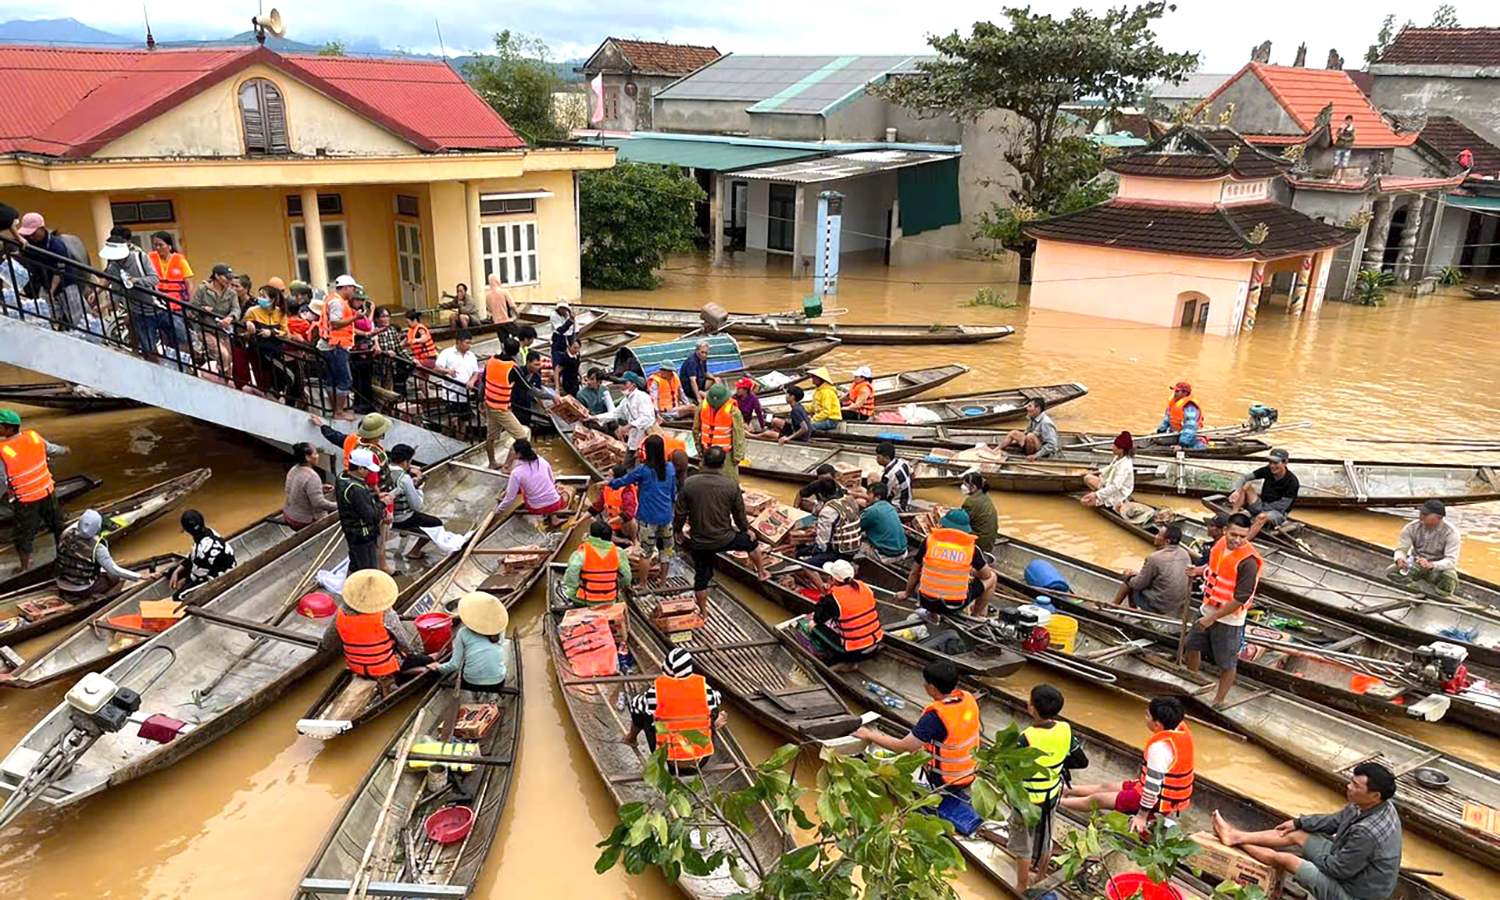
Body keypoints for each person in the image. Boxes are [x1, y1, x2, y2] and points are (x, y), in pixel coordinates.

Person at [1212, 762, 1401, 900]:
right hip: (1347, 862)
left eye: (1355, 786)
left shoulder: (1367, 832)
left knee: (1287, 859)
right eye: (1351, 781)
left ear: (1375, 795)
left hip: (1353, 892)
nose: (1348, 787)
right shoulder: (1372, 803)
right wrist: (1299, 823)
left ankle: (1236, 840)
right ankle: (1233, 836)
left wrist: (1307, 857)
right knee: (1295, 833)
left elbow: (1337, 870)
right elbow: (1334, 820)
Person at [851, 660, 980, 800]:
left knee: (889, 775)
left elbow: (904, 747)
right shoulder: (968, 699)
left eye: (925, 683)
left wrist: (869, 735)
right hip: (970, 773)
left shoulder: (934, 718)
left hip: (944, 782)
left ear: (933, 689)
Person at [1063, 697, 1194, 834]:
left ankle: (1056, 802)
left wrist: (1141, 816)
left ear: (1157, 725)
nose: (1145, 716)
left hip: (1158, 800)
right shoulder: (1180, 729)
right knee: (1106, 787)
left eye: (1147, 715)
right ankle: (1066, 790)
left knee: (1097, 799)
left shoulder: (1160, 749)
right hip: (1161, 792)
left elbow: (1152, 788)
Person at [674, 446, 769, 614]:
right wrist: (746, 529)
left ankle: (703, 612)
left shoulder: (689, 483)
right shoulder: (731, 485)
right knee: (751, 542)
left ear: (703, 462)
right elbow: (739, 514)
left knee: (701, 579)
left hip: (700, 541)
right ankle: (761, 572)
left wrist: (678, 530)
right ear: (723, 464)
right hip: (725, 538)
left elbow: (680, 512)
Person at [1012, 684, 1086, 893]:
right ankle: (1041, 877)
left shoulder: (1026, 737)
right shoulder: (1065, 730)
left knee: (1023, 845)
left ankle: (1021, 885)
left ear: (1031, 709)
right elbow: (1081, 761)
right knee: (1046, 837)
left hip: (1028, 800)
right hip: (1051, 795)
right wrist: (1057, 763)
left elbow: (1010, 766)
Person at [1184, 512, 1261, 706]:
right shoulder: (1219, 545)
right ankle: (1192, 681)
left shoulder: (1248, 562)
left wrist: (1212, 618)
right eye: (1234, 535)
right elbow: (1214, 567)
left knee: (1226, 663)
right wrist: (1199, 571)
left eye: (1242, 536)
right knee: (1192, 645)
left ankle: (1219, 700)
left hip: (1229, 619)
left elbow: (1240, 598)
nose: (1238, 540)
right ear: (1225, 531)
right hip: (1208, 608)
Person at [323, 569, 431, 686]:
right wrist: (414, 653)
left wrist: (322, 647)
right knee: (426, 660)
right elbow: (404, 642)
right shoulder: (386, 614)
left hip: (355, 666)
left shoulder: (341, 612)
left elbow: (328, 639)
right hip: (384, 667)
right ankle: (394, 678)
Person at [624, 647, 726, 769]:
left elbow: (635, 704)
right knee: (711, 707)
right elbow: (717, 697)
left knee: (643, 711)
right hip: (701, 760)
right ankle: (712, 727)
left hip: (668, 762)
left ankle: (631, 738)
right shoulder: (705, 689)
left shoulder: (655, 692)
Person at [1, 409, 69, 574]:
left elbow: (2, 480)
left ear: (9, 429)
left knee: (23, 536)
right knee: (58, 526)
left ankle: (24, 568)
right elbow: (54, 450)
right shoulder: (33, 436)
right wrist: (66, 450)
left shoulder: (3, 450)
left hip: (26, 500)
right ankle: (65, 556)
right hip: (47, 491)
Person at [897, 509, 998, 619]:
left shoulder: (929, 541)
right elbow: (986, 575)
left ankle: (932, 614)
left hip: (926, 601)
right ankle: (975, 616)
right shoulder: (971, 548)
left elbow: (914, 572)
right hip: (954, 605)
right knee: (993, 577)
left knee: (928, 573)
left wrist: (907, 593)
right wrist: (970, 571)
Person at [18, 213, 94, 338]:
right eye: (28, 233)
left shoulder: (56, 245)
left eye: (33, 232)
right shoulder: (31, 244)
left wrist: (51, 291)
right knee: (44, 316)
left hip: (65, 285)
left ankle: (87, 339)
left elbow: (59, 272)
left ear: (42, 229)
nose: (31, 236)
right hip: (45, 284)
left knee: (77, 318)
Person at [99, 230, 169, 360]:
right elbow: (116, 288)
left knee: (178, 339)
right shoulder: (113, 267)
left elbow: (154, 279)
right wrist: (105, 303)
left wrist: (136, 281)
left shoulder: (139, 257)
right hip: (136, 308)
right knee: (148, 346)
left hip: (156, 305)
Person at [53, 509, 149, 598]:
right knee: (115, 577)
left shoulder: (66, 533)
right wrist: (139, 576)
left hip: (61, 582)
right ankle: (103, 597)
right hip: (82, 589)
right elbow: (114, 570)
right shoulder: (98, 548)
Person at [614, 434, 678, 566]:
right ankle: (662, 583)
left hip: (648, 517)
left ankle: (643, 584)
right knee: (666, 552)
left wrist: (609, 483)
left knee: (645, 553)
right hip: (666, 516)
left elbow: (625, 480)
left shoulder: (643, 470)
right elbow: (673, 493)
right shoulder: (670, 468)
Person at [426, 591, 509, 692]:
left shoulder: (463, 632)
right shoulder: (500, 630)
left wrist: (438, 667)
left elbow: (454, 665)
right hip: (497, 682)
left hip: (471, 683)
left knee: (466, 660)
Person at [808, 558, 885, 663]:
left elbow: (818, 618)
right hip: (876, 641)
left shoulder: (833, 598)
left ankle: (843, 662)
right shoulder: (864, 586)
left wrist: (825, 595)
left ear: (834, 579)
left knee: (812, 625)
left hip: (854, 652)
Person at [1387, 499, 1461, 598]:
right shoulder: (1411, 528)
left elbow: (1451, 560)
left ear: (1439, 517)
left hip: (1437, 567)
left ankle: (1441, 598)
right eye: (1421, 513)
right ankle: (1414, 591)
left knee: (1449, 577)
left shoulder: (1451, 533)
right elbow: (1401, 549)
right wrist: (1400, 559)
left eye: (1425, 514)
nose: (1421, 516)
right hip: (1415, 562)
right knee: (1392, 571)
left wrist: (1431, 565)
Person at [1113, 523, 1191, 616]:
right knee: (1135, 577)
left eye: (1158, 535)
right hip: (1178, 603)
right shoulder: (1185, 553)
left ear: (1167, 542)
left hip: (1159, 605)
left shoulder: (1154, 558)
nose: (1155, 536)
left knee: (1129, 582)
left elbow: (1138, 584)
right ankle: (1131, 611)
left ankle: (1115, 608)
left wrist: (1128, 576)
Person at [1228, 448, 1299, 541]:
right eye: (1271, 463)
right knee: (1246, 486)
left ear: (1285, 463)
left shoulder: (1292, 482)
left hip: (1277, 513)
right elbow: (1245, 477)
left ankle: (1244, 541)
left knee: (1261, 517)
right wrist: (1237, 491)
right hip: (1262, 504)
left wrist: (1261, 512)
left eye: (1276, 463)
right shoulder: (1267, 470)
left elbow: (1282, 506)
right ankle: (1232, 516)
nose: (1272, 466)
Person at [480, 339, 531, 468]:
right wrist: (551, 396)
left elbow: (484, 381)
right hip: (501, 409)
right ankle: (507, 466)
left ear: (503, 347)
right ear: (515, 353)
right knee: (522, 437)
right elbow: (528, 388)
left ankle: (492, 463)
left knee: (491, 437)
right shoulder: (512, 368)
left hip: (489, 404)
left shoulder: (491, 361)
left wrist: (480, 400)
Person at [387, 444, 442, 561]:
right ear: (405, 462)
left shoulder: (382, 471)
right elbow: (416, 505)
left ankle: (405, 533)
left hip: (385, 516)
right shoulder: (404, 478)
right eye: (410, 461)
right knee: (436, 523)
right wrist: (418, 488)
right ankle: (415, 552)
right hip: (401, 518)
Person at [336, 447, 388, 573]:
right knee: (369, 570)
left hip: (350, 531)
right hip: (363, 535)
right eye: (368, 469)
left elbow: (356, 504)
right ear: (360, 469)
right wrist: (382, 503)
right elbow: (370, 515)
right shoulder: (356, 488)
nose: (370, 473)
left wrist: (375, 497)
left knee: (355, 563)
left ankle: (349, 584)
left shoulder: (342, 478)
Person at [563, 518, 635, 606]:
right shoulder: (618, 552)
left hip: (584, 599)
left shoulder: (582, 552)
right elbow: (627, 577)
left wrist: (573, 588)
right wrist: (622, 585)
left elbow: (571, 574)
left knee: (569, 591)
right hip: (609, 599)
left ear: (591, 535)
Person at [499, 439, 572, 526]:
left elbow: (510, 498)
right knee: (563, 490)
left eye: (512, 450)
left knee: (521, 487)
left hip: (536, 508)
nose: (511, 452)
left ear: (518, 454)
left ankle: (552, 516)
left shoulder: (516, 473)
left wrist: (498, 510)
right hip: (555, 504)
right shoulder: (542, 461)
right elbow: (552, 480)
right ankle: (555, 517)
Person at [319, 274, 362, 421]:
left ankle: (335, 410)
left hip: (330, 345)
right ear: (347, 287)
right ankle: (339, 412)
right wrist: (355, 318)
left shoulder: (332, 299)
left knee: (332, 379)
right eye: (353, 289)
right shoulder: (337, 302)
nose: (353, 293)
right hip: (336, 346)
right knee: (345, 380)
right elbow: (335, 323)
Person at [165, 509, 236, 591]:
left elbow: (199, 573)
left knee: (178, 596)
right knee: (171, 572)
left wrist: (184, 582)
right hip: (206, 564)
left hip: (219, 573)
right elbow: (193, 557)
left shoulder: (204, 549)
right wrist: (176, 572)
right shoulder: (207, 532)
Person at [802, 478, 862, 570]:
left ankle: (822, 584)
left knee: (806, 563)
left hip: (840, 552)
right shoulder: (850, 499)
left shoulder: (828, 511)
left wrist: (812, 550)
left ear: (820, 495)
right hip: (855, 547)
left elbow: (822, 544)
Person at [693, 383, 746, 484]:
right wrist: (699, 449)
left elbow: (738, 435)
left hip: (725, 455)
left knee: (729, 482)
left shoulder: (733, 411)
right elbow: (696, 430)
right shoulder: (702, 407)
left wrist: (737, 456)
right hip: (708, 452)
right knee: (707, 481)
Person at [147, 231, 192, 348]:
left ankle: (184, 360)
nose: (157, 248)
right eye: (155, 245)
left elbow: (189, 283)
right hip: (157, 304)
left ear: (169, 246)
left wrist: (190, 305)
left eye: (160, 245)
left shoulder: (180, 260)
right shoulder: (150, 258)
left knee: (180, 336)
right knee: (164, 338)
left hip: (176, 305)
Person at [283, 441, 338, 529]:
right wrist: (337, 506)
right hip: (302, 520)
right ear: (308, 457)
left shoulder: (294, 469)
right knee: (326, 512)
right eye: (315, 453)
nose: (318, 456)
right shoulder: (312, 476)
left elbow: (299, 488)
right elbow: (318, 503)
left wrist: (320, 488)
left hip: (288, 514)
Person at [435, 328, 482, 428]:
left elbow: (476, 372)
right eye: (467, 343)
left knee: (463, 421)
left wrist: (472, 381)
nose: (469, 345)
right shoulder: (446, 353)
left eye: (470, 343)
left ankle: (459, 439)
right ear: (459, 342)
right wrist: (447, 371)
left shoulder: (471, 355)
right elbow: (437, 367)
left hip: (464, 394)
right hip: (451, 393)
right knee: (453, 420)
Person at [599, 372, 656, 452]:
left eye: (625, 383)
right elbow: (613, 413)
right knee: (629, 459)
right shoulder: (625, 401)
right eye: (622, 383)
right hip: (633, 439)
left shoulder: (642, 397)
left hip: (645, 437)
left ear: (634, 385)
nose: (622, 386)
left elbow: (646, 417)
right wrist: (594, 418)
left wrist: (629, 426)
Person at [1081, 431, 1136, 509]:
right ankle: (1100, 495)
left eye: (1115, 446)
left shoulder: (1124, 466)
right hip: (1108, 485)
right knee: (1088, 478)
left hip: (1118, 494)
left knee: (1085, 502)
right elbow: (1109, 468)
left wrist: (1096, 494)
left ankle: (1104, 501)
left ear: (1121, 450)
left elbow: (1115, 487)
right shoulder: (1118, 457)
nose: (1112, 448)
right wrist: (1095, 472)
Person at [860, 482, 909, 563]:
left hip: (885, 556)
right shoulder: (890, 507)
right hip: (903, 552)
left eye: (869, 494)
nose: (866, 497)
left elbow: (856, 527)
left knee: (856, 546)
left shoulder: (872, 511)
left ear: (877, 497)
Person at [1156, 382, 1207, 449]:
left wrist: (1182, 445)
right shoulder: (1174, 402)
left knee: (1194, 445)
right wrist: (1160, 432)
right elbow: (1167, 419)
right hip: (1176, 433)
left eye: (1177, 391)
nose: (1174, 393)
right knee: (1159, 440)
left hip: (1191, 436)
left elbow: (1190, 427)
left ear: (1185, 393)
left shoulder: (1189, 406)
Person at [959, 471, 999, 554]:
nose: (962, 487)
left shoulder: (971, 501)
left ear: (973, 487)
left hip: (981, 542)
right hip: (990, 539)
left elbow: (962, 523)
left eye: (965, 485)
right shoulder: (984, 494)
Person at [875, 441, 913, 511]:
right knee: (872, 476)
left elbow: (882, 497)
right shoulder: (902, 462)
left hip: (897, 505)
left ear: (886, 458)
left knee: (861, 502)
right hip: (907, 499)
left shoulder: (889, 475)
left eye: (878, 457)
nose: (876, 459)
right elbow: (912, 472)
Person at [806, 367, 843, 432]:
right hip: (823, 418)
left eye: (815, 377)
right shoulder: (818, 391)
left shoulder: (827, 392)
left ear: (821, 379)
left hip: (831, 420)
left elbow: (826, 412)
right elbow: (814, 406)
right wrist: (802, 407)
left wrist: (813, 419)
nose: (813, 380)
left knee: (808, 427)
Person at [679, 340, 714, 406]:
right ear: (697, 351)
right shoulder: (692, 362)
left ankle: (702, 393)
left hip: (699, 383)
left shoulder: (703, 359)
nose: (704, 355)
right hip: (689, 388)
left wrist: (715, 379)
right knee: (708, 398)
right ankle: (698, 396)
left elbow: (705, 373)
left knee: (714, 380)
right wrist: (698, 397)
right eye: (702, 352)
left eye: (706, 353)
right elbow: (693, 381)